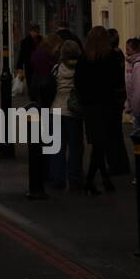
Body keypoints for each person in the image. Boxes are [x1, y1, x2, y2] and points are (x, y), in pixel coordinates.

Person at [75, 26, 121, 195]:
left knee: (97, 142)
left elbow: (78, 82)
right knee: (100, 143)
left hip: (89, 105)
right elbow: (117, 80)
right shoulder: (111, 57)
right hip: (105, 104)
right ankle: (92, 180)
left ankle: (101, 178)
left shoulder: (84, 58)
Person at [48, 39, 84, 190]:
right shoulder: (81, 70)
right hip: (74, 113)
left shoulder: (56, 69)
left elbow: (50, 89)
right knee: (75, 148)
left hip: (56, 109)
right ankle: (75, 179)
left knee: (57, 147)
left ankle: (58, 179)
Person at [105, 29, 131, 176]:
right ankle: (121, 163)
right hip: (119, 97)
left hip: (111, 98)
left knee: (111, 133)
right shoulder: (119, 54)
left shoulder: (110, 56)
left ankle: (116, 165)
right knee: (117, 132)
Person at [29, 33, 63, 110]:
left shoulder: (40, 54)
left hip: (38, 92)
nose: (59, 49)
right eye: (58, 46)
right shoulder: (46, 58)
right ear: (52, 45)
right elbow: (47, 81)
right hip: (44, 95)